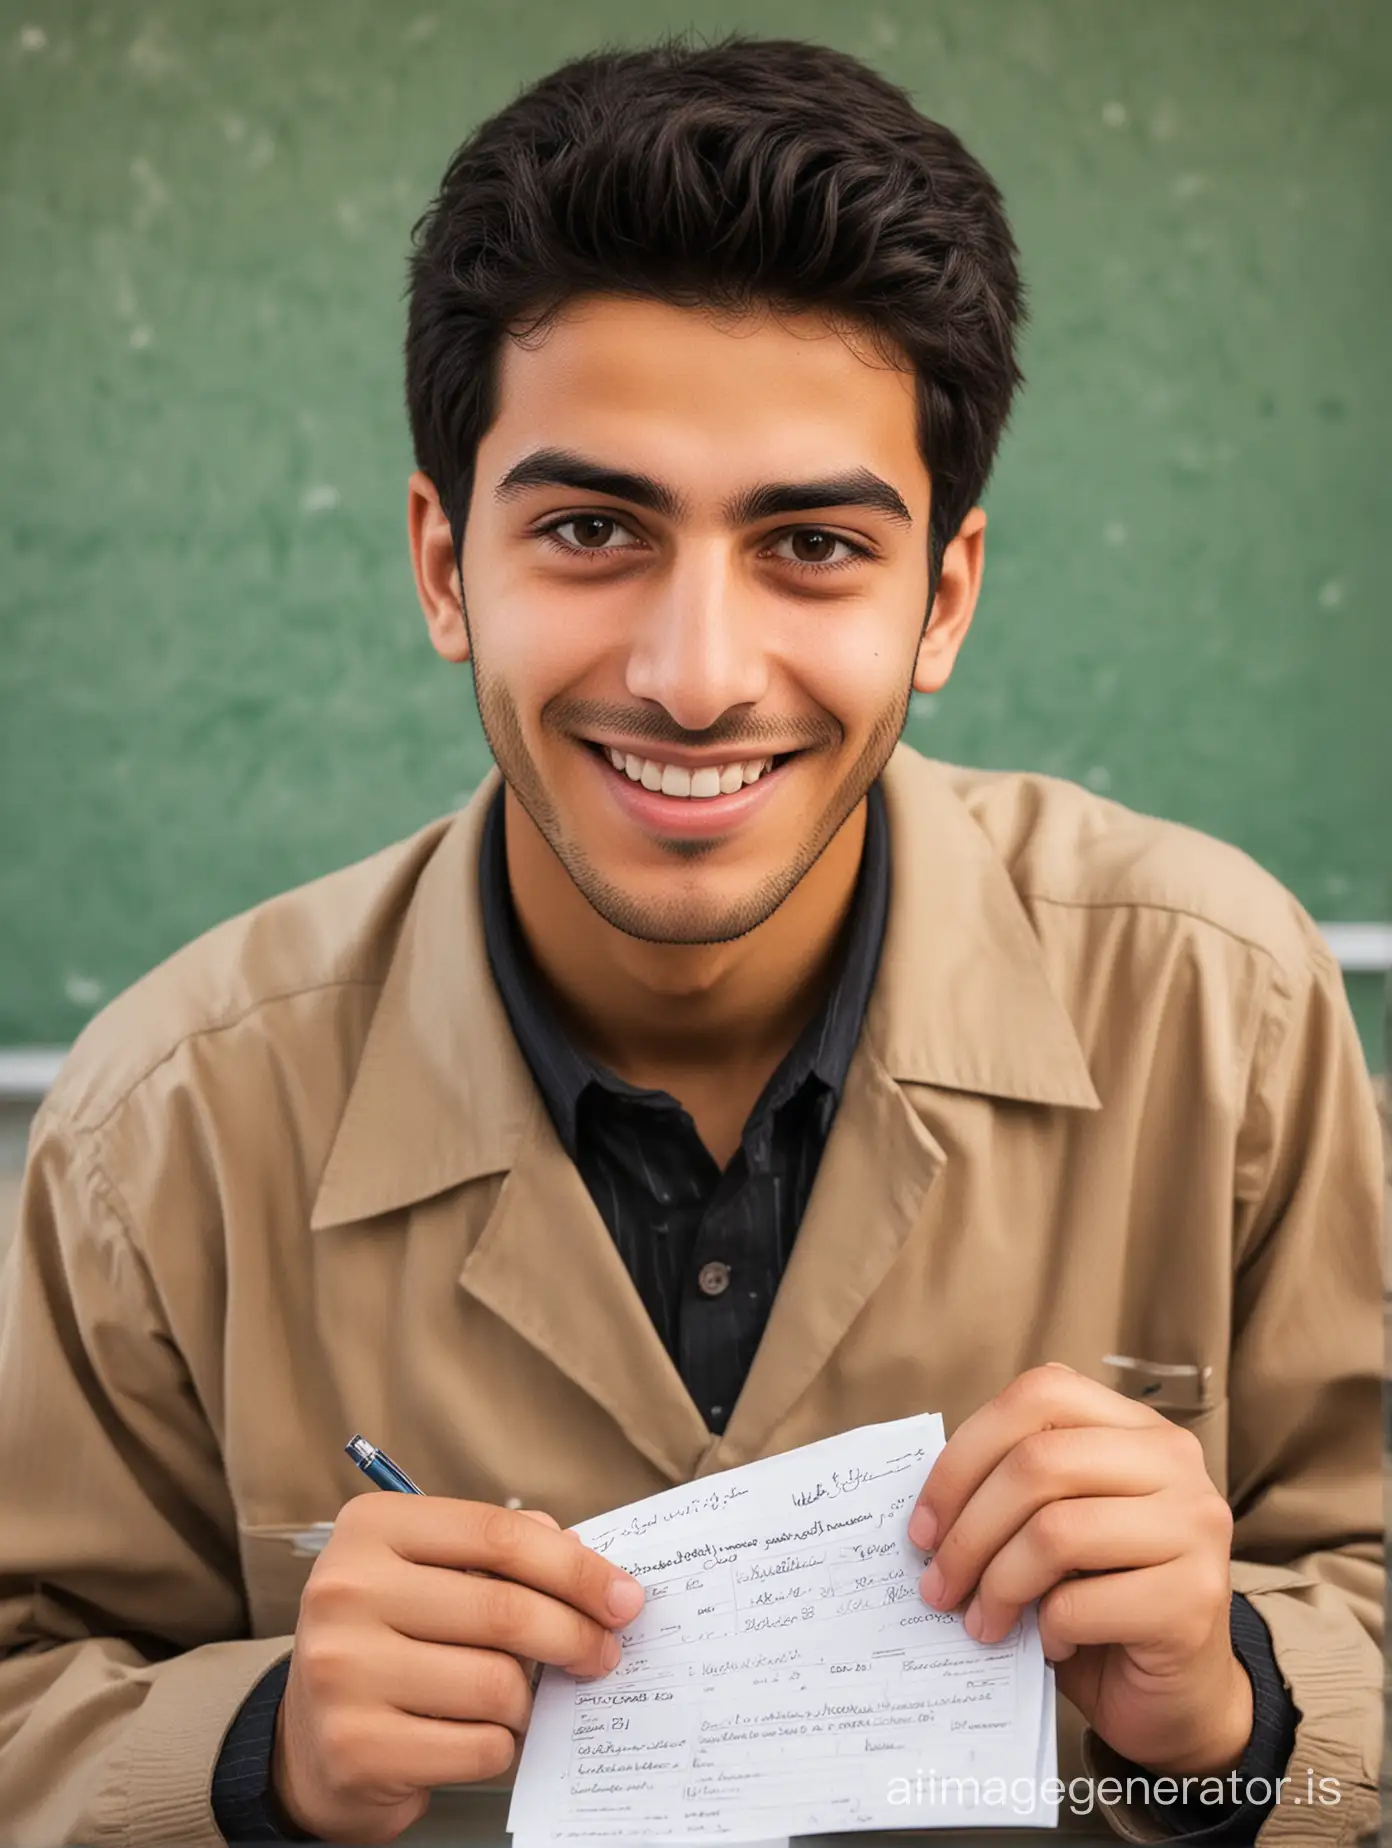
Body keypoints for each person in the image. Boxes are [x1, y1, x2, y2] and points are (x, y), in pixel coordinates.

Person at [0, 35, 1381, 1848]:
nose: (695, 673)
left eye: (812, 544)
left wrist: (1230, 1702)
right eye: (590, 529)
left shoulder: (1225, 1010)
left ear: (942, 598)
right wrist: (262, 1753)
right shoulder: (164, 1125)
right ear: (442, 565)